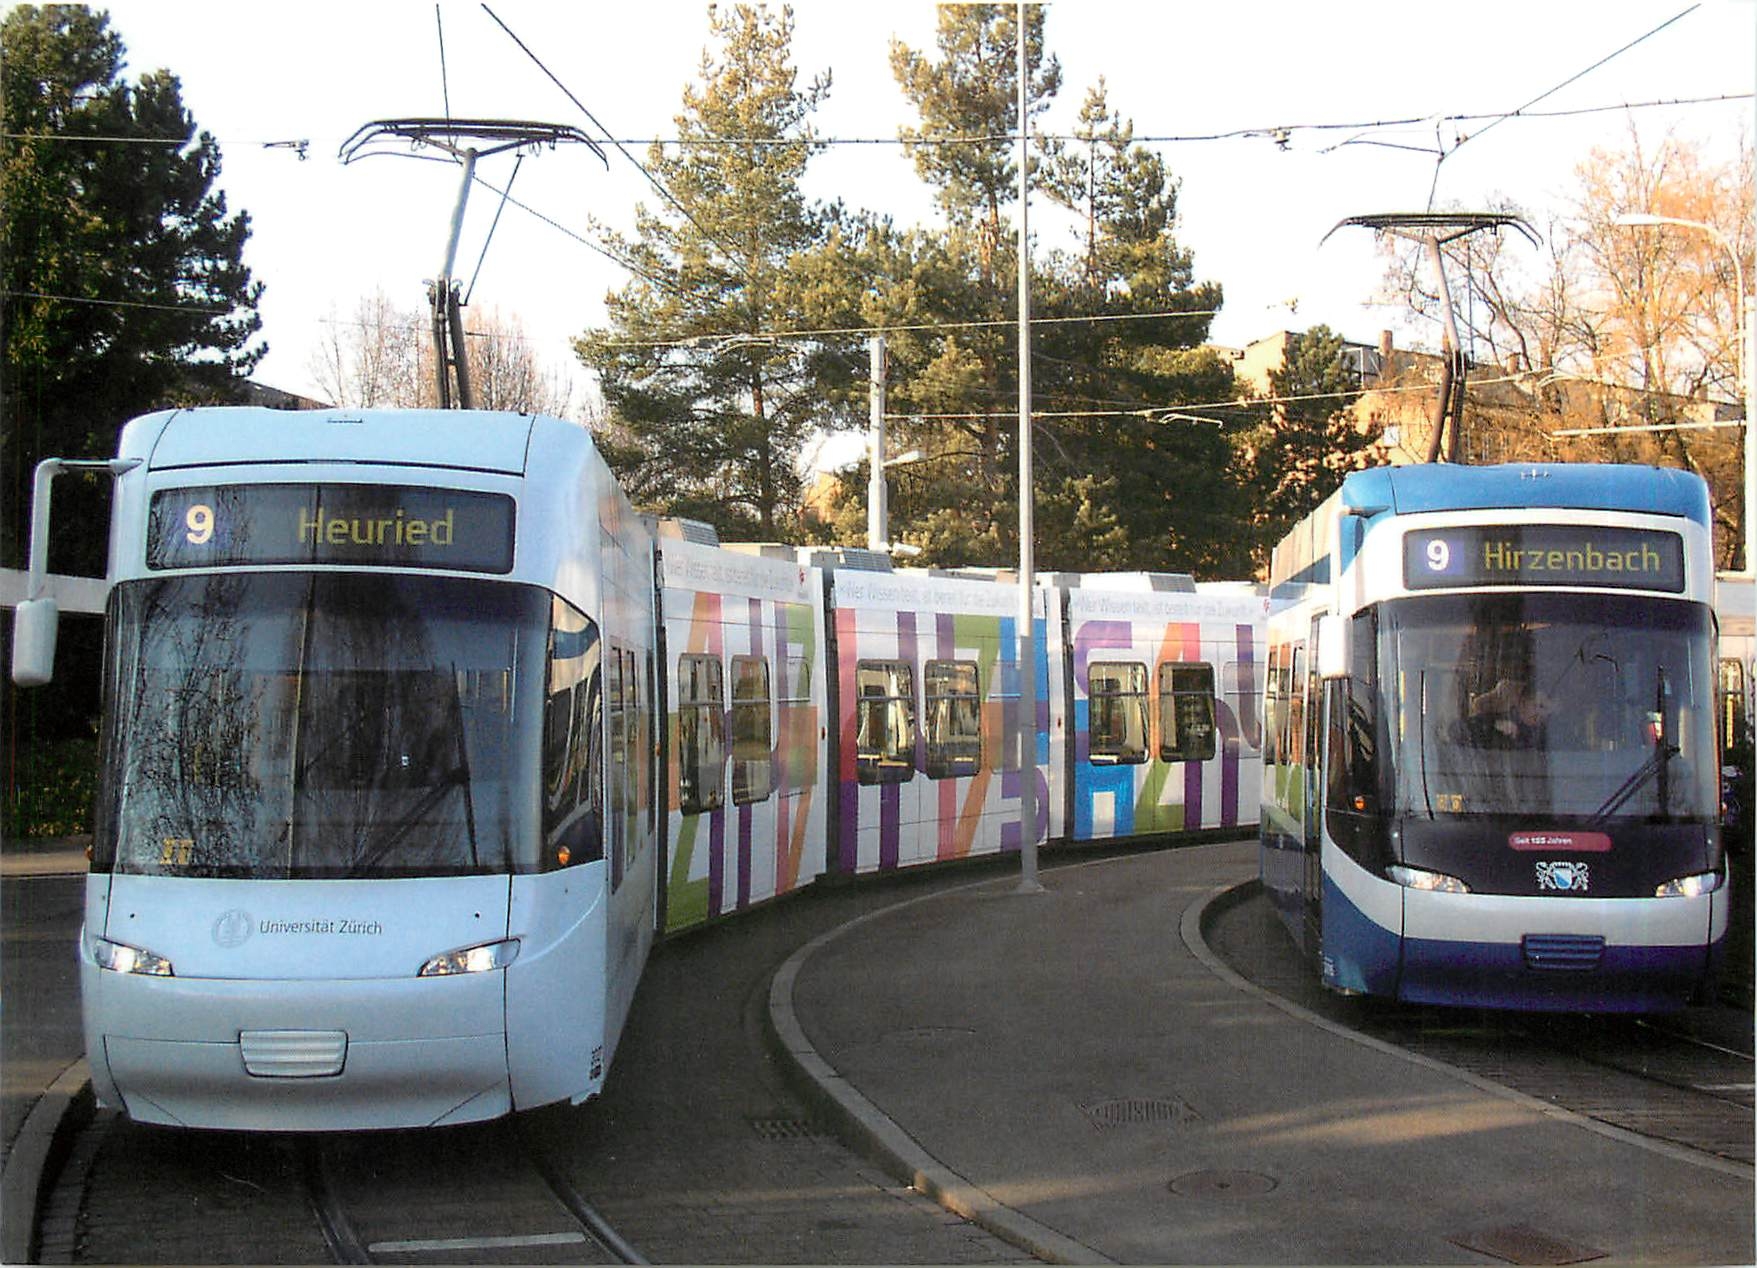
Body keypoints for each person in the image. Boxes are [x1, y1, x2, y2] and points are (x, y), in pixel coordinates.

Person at [1467, 676, 1554, 748]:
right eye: (1540, 706)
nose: (1541, 714)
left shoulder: (1545, 741)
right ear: (1524, 700)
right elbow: (1460, 730)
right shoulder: (1495, 718)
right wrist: (1494, 724)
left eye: (1548, 715)